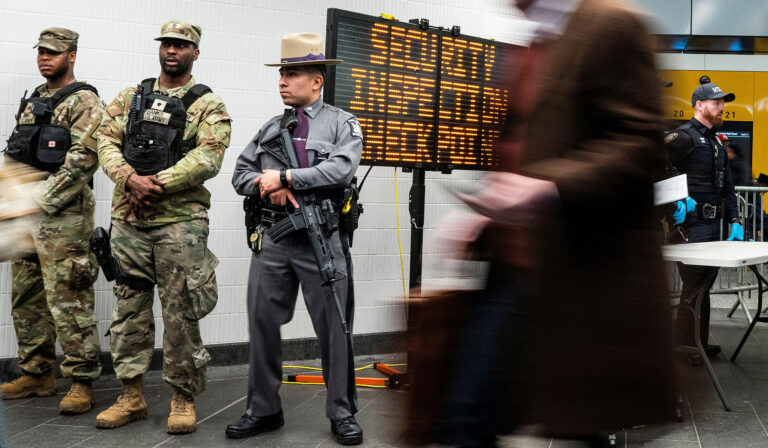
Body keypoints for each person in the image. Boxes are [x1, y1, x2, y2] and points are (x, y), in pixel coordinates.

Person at [433, 0, 678, 445]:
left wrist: (547, 188)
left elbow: (640, 142)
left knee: (500, 415)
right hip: (516, 263)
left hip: (577, 266)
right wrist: (480, 211)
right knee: (474, 413)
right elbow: (524, 144)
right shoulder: (534, 40)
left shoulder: (613, 24)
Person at [95, 20, 231, 434]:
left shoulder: (208, 105)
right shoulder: (130, 97)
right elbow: (104, 139)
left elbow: (208, 157)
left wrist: (158, 183)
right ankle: (131, 396)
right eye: (167, 44)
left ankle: (182, 398)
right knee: (129, 312)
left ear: (195, 52)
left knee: (180, 315)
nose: (172, 50)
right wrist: (127, 178)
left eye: (181, 45)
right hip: (129, 222)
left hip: (180, 226)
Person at [227, 32, 363, 445]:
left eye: (292, 74)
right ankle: (263, 409)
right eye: (281, 74)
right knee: (262, 323)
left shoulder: (342, 123)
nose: (282, 82)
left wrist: (286, 176)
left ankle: (341, 412)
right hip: (276, 239)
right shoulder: (272, 127)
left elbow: (339, 171)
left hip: (323, 240)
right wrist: (268, 186)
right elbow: (240, 175)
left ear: (316, 80)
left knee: (335, 330)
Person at [1, 27, 103, 415]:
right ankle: (38, 372)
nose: (46, 58)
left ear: (72, 56)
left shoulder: (85, 101)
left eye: (55, 53)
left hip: (63, 217)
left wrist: (36, 201)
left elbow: (81, 162)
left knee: (69, 299)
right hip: (25, 214)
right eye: (41, 52)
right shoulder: (34, 100)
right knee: (26, 296)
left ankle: (82, 380)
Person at [665, 82, 744, 357]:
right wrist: (673, 200)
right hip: (690, 226)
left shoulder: (716, 142)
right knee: (695, 284)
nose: (722, 107)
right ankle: (686, 345)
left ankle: (696, 341)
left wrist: (735, 219)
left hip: (714, 226)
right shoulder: (683, 137)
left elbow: (729, 187)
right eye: (717, 102)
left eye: (723, 102)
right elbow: (655, 165)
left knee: (704, 285)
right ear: (700, 105)